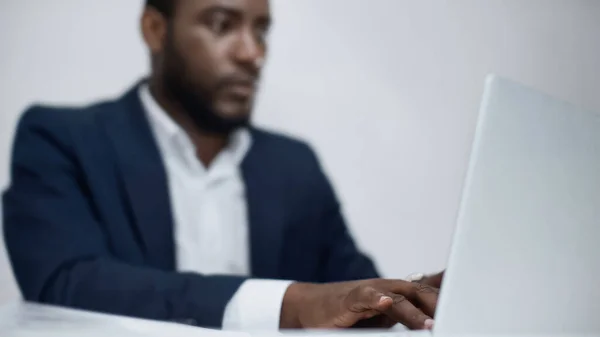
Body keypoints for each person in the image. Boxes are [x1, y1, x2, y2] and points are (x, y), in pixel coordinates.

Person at [2, 0, 443, 331]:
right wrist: (292, 302)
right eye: (222, 25)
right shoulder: (61, 139)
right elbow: (66, 284)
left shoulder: (293, 165)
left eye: (261, 30)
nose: (253, 54)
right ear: (156, 29)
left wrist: (414, 296)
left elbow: (348, 289)